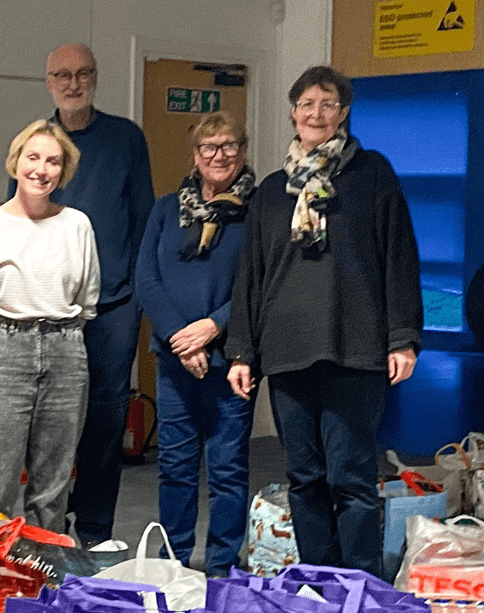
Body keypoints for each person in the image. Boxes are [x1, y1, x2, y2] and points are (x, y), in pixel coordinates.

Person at [225, 65, 423, 576]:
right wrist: (243, 351)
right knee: (304, 476)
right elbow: (252, 275)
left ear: (344, 113)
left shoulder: (372, 174)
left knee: (352, 479)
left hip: (355, 349)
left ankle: (357, 580)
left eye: (328, 104)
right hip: (287, 351)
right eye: (307, 103)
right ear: (293, 112)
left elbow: (399, 258)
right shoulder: (271, 191)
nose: (316, 113)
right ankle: (317, 578)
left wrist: (403, 338)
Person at [9, 43, 155, 546]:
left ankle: (93, 533)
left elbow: (143, 223)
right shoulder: (36, 143)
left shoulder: (125, 139)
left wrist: (135, 296)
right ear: (48, 81)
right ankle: (44, 532)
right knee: (45, 426)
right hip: (46, 314)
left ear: (95, 77)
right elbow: (12, 218)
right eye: (62, 75)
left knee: (104, 426)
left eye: (82, 74)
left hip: (113, 308)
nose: (73, 83)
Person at [0, 119, 100, 532]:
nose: (42, 169)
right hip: (3, 350)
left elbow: (88, 299)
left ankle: (43, 581)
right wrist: (0, 341)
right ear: (16, 162)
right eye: (33, 157)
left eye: (53, 161)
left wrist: (57, 338)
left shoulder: (77, 225)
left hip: (66, 351)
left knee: (52, 484)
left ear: (64, 170)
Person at [135, 112, 256, 576]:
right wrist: (182, 341)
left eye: (228, 146)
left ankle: (224, 565)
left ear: (242, 151)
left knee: (228, 471)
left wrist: (212, 327)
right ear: (195, 155)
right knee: (176, 469)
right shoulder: (167, 209)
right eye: (209, 147)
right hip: (173, 361)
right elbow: (147, 278)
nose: (219, 155)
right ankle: (174, 563)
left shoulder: (257, 210)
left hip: (232, 363)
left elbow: (257, 283)